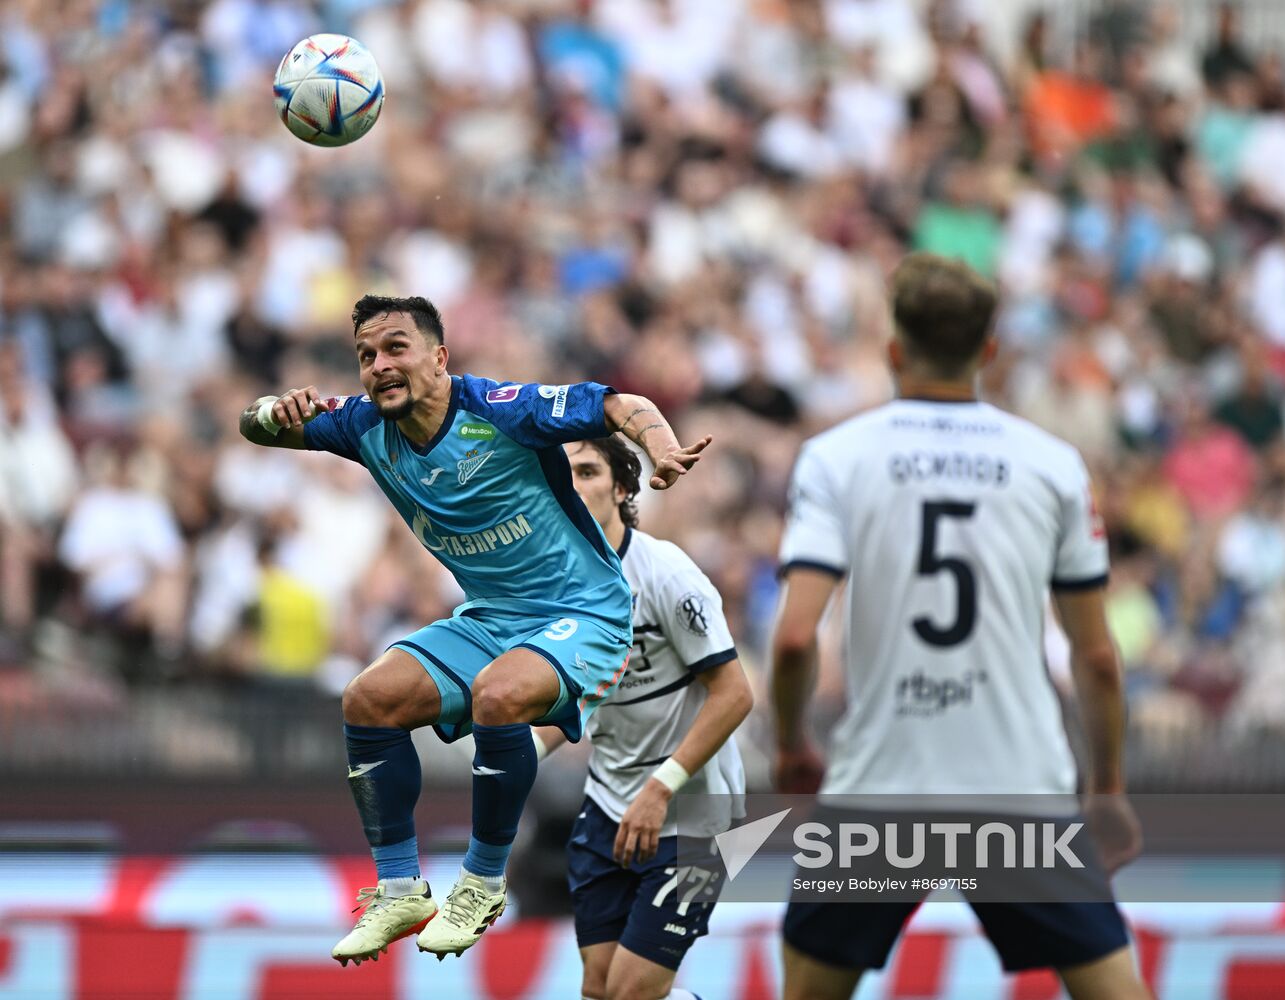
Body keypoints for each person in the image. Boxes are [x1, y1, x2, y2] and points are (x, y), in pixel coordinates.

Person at [238, 294, 710, 965]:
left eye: (395, 347)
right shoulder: (363, 425)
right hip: (491, 619)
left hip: (587, 614)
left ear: (439, 356)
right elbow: (253, 428)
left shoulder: (498, 408)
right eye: (366, 355)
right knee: (367, 700)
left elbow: (614, 404)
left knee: (497, 694)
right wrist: (270, 411)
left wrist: (659, 448)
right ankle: (401, 886)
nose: (378, 365)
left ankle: (483, 882)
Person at [770, 253, 1151, 1000]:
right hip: (1016, 785)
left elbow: (791, 640)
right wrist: (1104, 787)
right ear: (986, 352)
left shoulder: (836, 458)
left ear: (891, 349)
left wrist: (790, 746)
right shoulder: (1050, 464)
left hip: (882, 786)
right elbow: (1096, 658)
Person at [536, 435, 753, 1000]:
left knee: (631, 994)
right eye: (564, 474)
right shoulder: (551, 589)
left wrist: (660, 789)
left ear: (623, 487)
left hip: (699, 817)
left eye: (587, 472)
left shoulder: (666, 573)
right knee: (598, 991)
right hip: (610, 805)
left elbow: (734, 695)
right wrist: (512, 756)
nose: (574, 485)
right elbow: (569, 702)